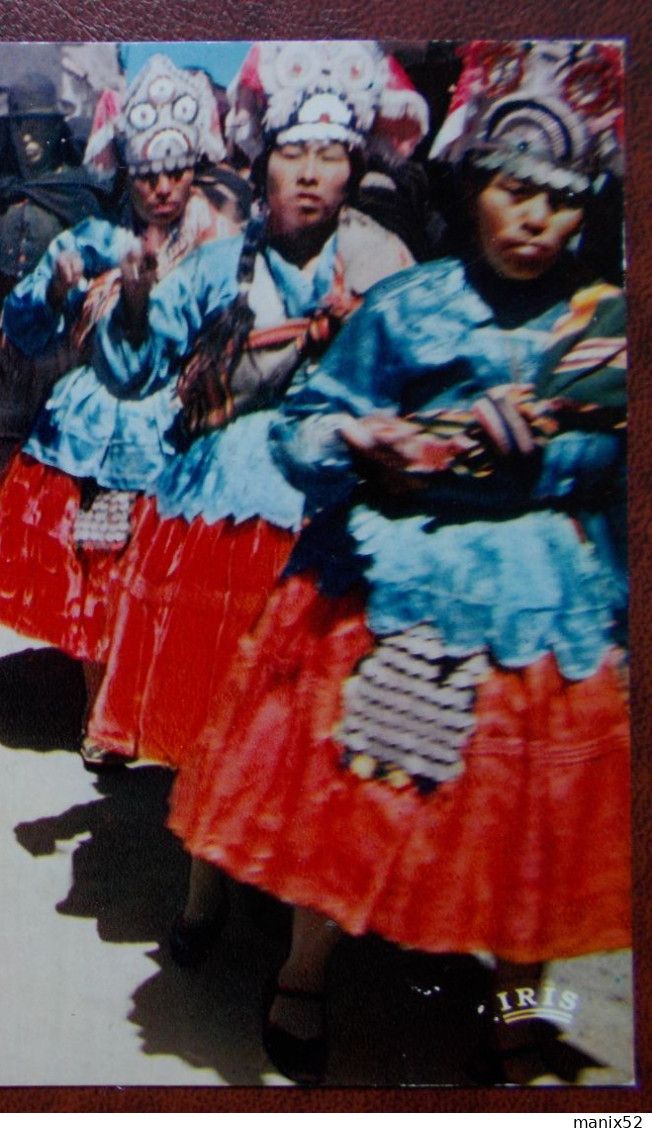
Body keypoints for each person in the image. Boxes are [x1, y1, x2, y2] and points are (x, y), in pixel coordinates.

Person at [164, 39, 628, 1085]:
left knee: (523, 826)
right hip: (396, 584)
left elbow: (610, 470)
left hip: (538, 599)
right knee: (358, 789)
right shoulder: (408, 308)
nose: (529, 219)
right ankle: (302, 974)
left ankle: (517, 1010)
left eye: (556, 200)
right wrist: (368, 441)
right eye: (510, 190)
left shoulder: (600, 327)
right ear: (473, 187)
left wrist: (555, 450)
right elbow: (301, 436)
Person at [83, 41, 425, 775]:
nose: (309, 173)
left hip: (339, 514)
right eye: (292, 151)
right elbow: (133, 369)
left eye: (331, 154)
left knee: (308, 734)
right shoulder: (215, 266)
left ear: (356, 167)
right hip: (225, 511)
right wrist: (137, 301)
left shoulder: (390, 267)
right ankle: (207, 885)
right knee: (219, 714)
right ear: (259, 158)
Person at [0, 55, 238, 766]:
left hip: (181, 434)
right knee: (102, 568)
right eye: (148, 171)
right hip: (99, 441)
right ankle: (101, 712)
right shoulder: (90, 238)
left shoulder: (224, 249)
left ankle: (160, 705)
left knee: (167, 577)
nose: (161, 186)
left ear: (197, 166)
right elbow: (23, 332)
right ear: (125, 167)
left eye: (177, 170)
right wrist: (57, 292)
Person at [0, 72, 105, 504]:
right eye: (20, 127)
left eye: (38, 128)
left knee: (41, 458)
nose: (28, 139)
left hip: (53, 352)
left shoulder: (79, 198)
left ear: (56, 131)